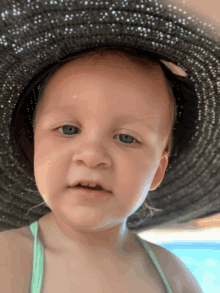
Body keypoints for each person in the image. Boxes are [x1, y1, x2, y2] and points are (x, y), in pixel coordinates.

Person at [0, 0, 219, 292]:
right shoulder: (10, 258)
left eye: (127, 138)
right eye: (68, 129)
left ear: (156, 170)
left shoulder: (174, 276)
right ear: (35, 146)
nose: (92, 156)